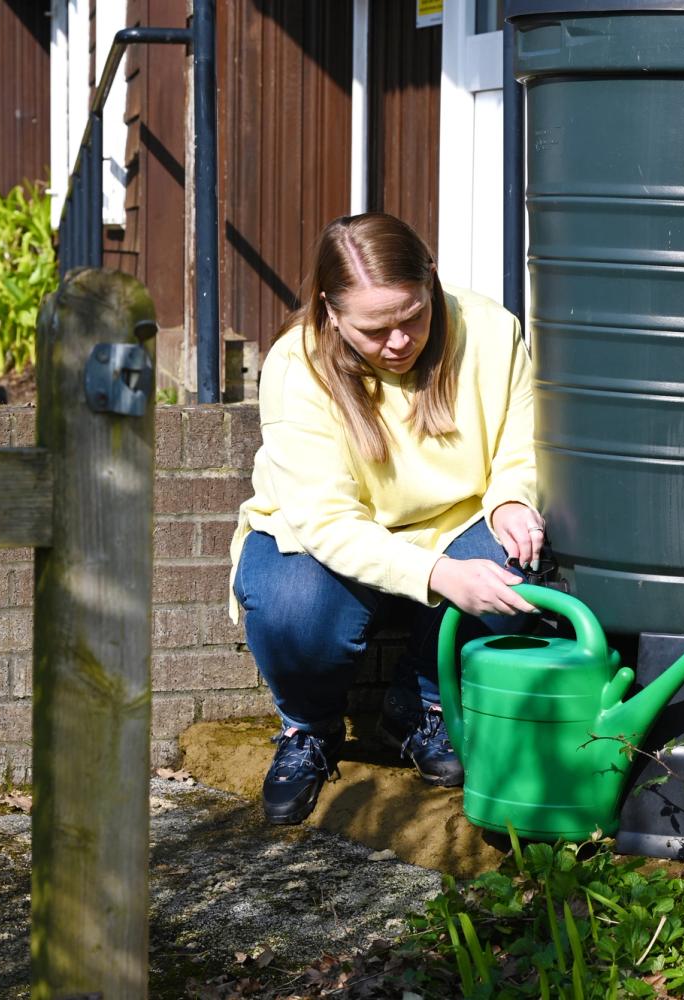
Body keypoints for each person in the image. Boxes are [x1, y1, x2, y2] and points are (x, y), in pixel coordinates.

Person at [227, 212, 545, 825]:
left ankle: (422, 706)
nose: (399, 342)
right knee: (294, 609)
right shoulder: (297, 366)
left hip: (455, 524)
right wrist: (443, 577)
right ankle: (309, 728)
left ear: (432, 279)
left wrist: (510, 498)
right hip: (322, 542)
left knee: (524, 559)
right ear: (331, 311)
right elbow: (327, 523)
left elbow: (521, 443)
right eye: (375, 329)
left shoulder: (489, 329)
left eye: (414, 316)